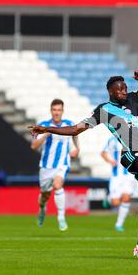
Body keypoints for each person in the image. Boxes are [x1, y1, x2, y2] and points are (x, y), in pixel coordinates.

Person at [29, 70, 138, 260]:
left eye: (125, 89)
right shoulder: (103, 110)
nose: (123, 92)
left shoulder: (134, 99)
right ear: (111, 92)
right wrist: (47, 128)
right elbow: (75, 129)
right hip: (129, 154)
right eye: (119, 90)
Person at [30, 99, 80, 231]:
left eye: (59, 110)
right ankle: (42, 210)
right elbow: (33, 145)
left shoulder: (68, 124)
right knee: (44, 195)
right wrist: (46, 132)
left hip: (62, 164)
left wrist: (77, 148)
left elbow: (75, 134)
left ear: (62, 111)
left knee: (58, 186)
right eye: (54, 110)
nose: (56, 112)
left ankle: (61, 217)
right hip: (46, 166)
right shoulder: (43, 125)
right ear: (51, 111)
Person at [101, 136, 136, 232]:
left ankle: (119, 224)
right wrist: (110, 161)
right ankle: (109, 198)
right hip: (116, 176)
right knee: (115, 203)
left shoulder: (132, 140)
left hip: (129, 175)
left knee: (126, 198)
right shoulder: (112, 140)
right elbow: (103, 153)